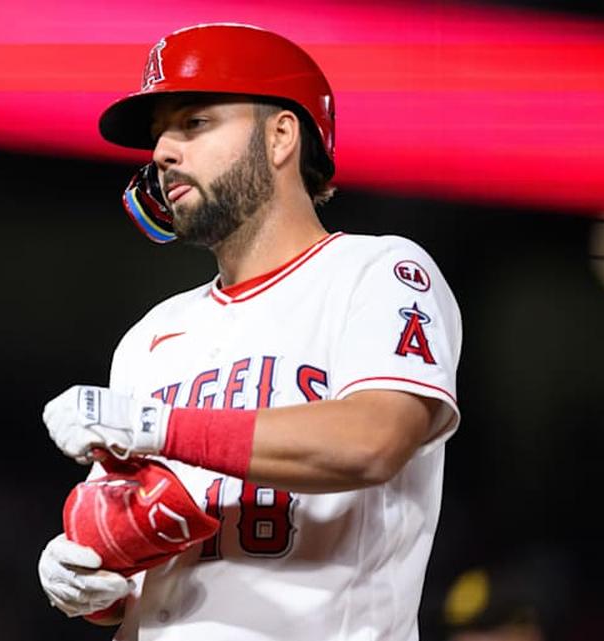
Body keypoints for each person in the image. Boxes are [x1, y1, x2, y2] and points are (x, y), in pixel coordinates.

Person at [37, 22, 462, 641]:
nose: (162, 152)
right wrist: (93, 579)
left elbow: (375, 439)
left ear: (281, 135)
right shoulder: (151, 337)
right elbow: (141, 567)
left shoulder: (378, 272)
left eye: (195, 122)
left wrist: (156, 425)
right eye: (159, 136)